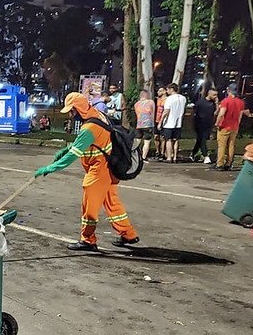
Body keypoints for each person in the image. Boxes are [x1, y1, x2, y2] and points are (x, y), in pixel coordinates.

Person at [34, 92, 139, 251]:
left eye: (72, 110)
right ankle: (129, 234)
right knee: (112, 203)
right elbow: (85, 143)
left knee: (89, 207)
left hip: (98, 170)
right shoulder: (96, 115)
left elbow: (73, 155)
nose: (70, 114)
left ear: (78, 108)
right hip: (109, 167)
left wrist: (51, 167)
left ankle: (88, 240)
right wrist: (66, 149)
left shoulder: (89, 127)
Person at [214, 83, 251, 171]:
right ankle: (229, 163)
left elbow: (222, 113)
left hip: (224, 126)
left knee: (222, 145)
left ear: (229, 91)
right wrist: (237, 124)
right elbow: (240, 116)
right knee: (231, 145)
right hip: (234, 126)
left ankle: (220, 164)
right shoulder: (241, 102)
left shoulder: (225, 101)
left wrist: (217, 122)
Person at [158, 83, 187, 163]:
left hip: (169, 122)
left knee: (168, 140)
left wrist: (160, 122)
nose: (167, 91)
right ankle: (174, 157)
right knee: (176, 140)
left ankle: (169, 157)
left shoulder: (169, 99)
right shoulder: (183, 98)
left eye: (167, 89)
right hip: (178, 122)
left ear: (171, 89)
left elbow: (166, 111)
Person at [190, 88, 219, 164]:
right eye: (214, 95)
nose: (215, 96)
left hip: (208, 124)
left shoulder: (213, 103)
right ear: (209, 94)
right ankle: (206, 156)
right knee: (203, 140)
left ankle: (192, 154)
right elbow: (194, 113)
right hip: (199, 124)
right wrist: (194, 123)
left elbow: (216, 113)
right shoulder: (201, 102)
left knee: (200, 140)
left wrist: (217, 103)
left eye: (216, 95)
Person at [133, 89, 156, 161]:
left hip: (139, 124)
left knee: (137, 141)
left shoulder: (136, 104)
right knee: (147, 141)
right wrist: (153, 123)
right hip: (148, 124)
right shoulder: (151, 102)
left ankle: (134, 155)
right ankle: (143, 157)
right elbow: (152, 113)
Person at [154, 87, 167, 159]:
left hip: (163, 120)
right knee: (156, 136)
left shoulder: (167, 100)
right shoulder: (157, 100)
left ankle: (162, 152)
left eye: (160, 91)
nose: (158, 92)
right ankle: (157, 151)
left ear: (164, 92)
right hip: (156, 119)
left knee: (163, 137)